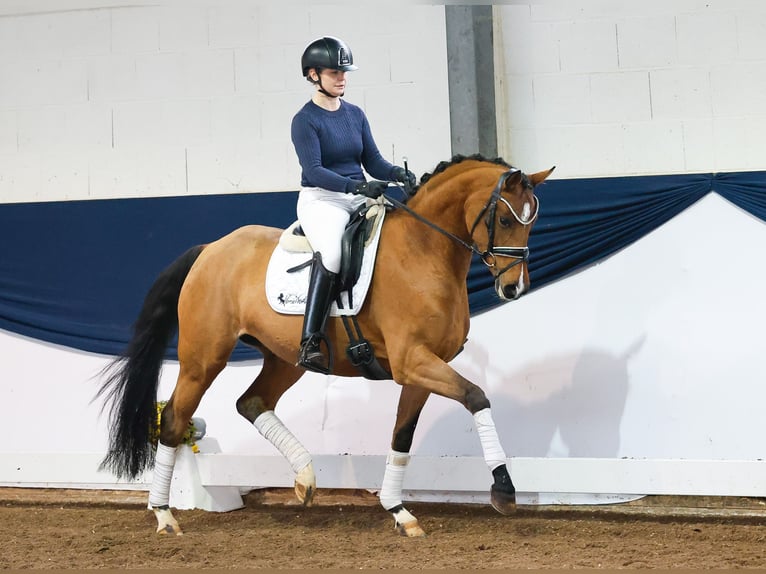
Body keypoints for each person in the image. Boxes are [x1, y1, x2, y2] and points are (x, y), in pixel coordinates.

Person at [291, 36, 415, 374]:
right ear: (314, 75)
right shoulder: (305, 120)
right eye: (334, 72)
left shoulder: (355, 114)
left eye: (344, 72)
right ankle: (310, 340)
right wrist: (355, 185)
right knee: (331, 254)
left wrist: (396, 173)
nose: (342, 78)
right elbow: (314, 171)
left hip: (358, 194)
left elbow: (372, 160)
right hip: (323, 199)